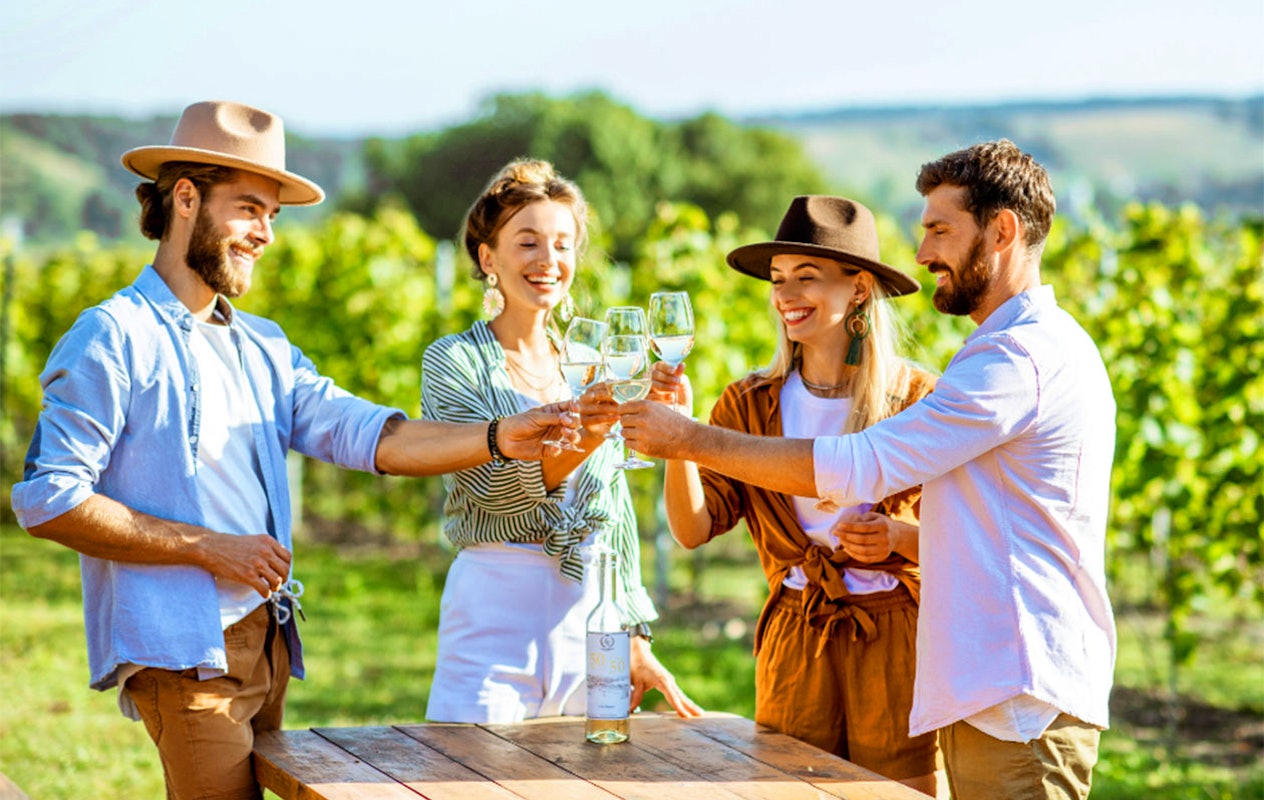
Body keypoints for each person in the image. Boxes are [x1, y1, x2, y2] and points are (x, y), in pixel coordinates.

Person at [10, 100, 577, 800]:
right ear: (185, 198)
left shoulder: (264, 345)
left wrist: (498, 437)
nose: (266, 234)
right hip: (187, 651)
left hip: (266, 641)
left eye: (273, 216)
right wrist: (209, 548)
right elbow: (48, 501)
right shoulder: (113, 337)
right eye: (250, 209)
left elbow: (369, 432)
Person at [619, 140, 1116, 800]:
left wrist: (690, 438)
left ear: (1002, 231)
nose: (922, 252)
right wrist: (690, 440)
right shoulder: (1000, 353)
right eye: (778, 279)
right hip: (976, 679)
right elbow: (976, 524)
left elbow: (861, 466)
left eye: (940, 229)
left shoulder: (1005, 364)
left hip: (1007, 681)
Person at [637, 195, 941, 793]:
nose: (786, 295)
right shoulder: (749, 404)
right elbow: (692, 530)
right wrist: (683, 437)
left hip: (897, 641)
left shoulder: (919, 400)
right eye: (778, 280)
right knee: (789, 787)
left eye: (807, 277)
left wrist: (898, 538)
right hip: (797, 640)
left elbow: (968, 537)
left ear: (858, 289)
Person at [420, 158, 701, 724]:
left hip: (590, 623)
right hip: (494, 614)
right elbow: (493, 488)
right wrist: (592, 434)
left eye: (563, 245)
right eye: (528, 243)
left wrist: (634, 632)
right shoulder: (453, 362)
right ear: (487, 258)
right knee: (468, 782)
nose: (549, 261)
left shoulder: (595, 366)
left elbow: (614, 514)